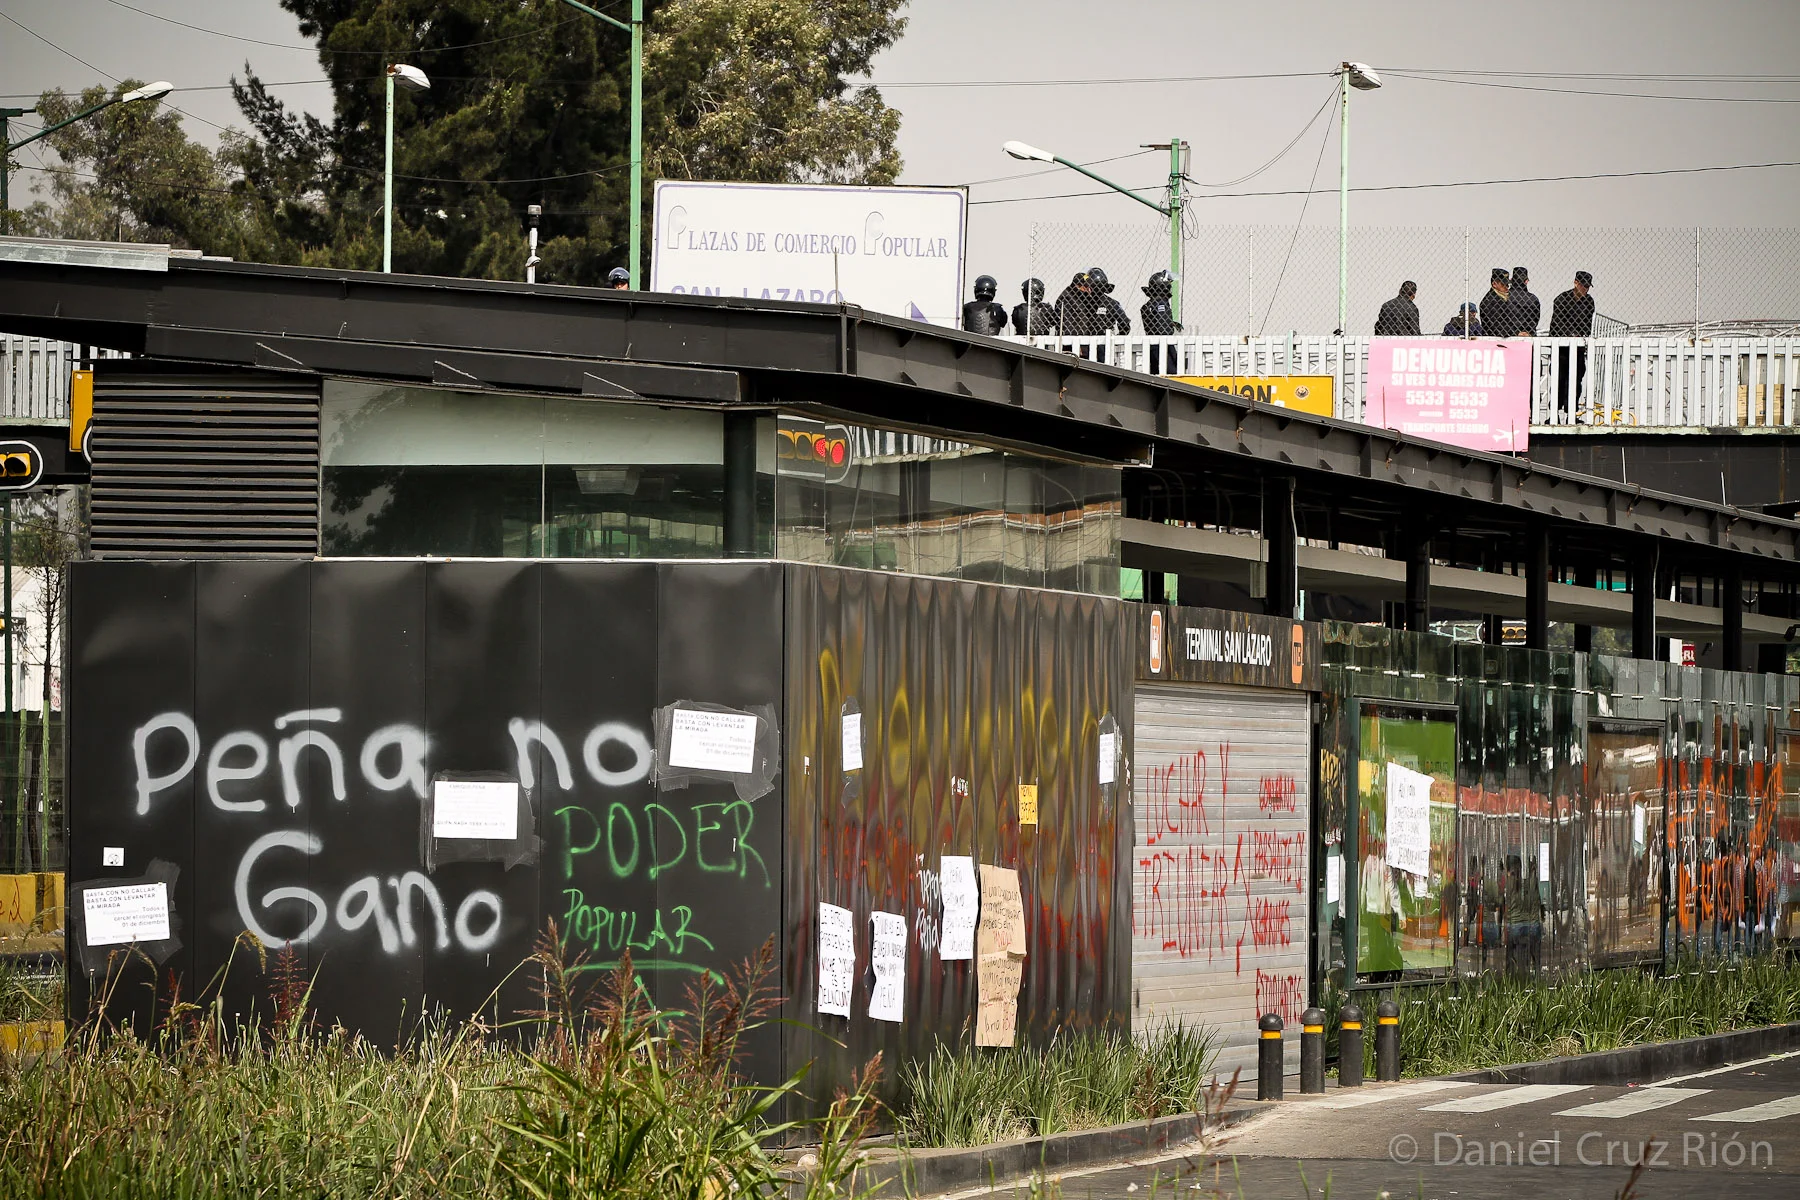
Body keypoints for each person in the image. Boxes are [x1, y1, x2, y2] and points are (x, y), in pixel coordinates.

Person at [1549, 271, 1595, 419]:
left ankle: (1571, 414)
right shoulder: (1561, 300)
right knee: (1559, 380)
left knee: (1575, 381)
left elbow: (1587, 325)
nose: (1585, 289)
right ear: (1576, 283)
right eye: (1583, 285)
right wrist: (1570, 334)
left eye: (1587, 286)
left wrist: (1579, 336)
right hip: (1562, 350)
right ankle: (1554, 414)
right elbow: (1556, 324)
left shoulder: (1589, 302)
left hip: (1578, 349)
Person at [1085, 266, 1131, 335]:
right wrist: (1119, 337)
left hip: (1086, 339)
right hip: (1106, 339)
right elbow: (1124, 323)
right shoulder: (1112, 303)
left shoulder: (1083, 302)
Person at [1052, 270, 1100, 336]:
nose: (1088, 289)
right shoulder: (1066, 298)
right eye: (1085, 286)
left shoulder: (1078, 297)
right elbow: (1067, 325)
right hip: (1071, 339)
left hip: (1082, 338)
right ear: (1077, 286)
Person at [1140, 270, 1180, 336]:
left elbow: (1157, 320)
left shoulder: (1152, 302)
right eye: (1168, 284)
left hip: (1154, 339)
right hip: (1162, 340)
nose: (1170, 286)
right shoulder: (1161, 303)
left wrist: (1171, 323)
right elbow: (1164, 328)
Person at [1479, 268, 1513, 339]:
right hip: (1494, 340)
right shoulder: (1489, 302)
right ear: (1494, 284)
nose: (1507, 287)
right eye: (1503, 284)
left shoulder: (1503, 298)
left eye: (1508, 285)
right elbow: (1498, 327)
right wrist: (1517, 332)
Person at [1509, 266, 1540, 336]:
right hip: (1529, 335)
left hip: (1510, 334)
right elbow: (1536, 319)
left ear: (1511, 280)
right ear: (1526, 281)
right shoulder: (1533, 299)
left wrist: (1515, 332)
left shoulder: (1505, 297)